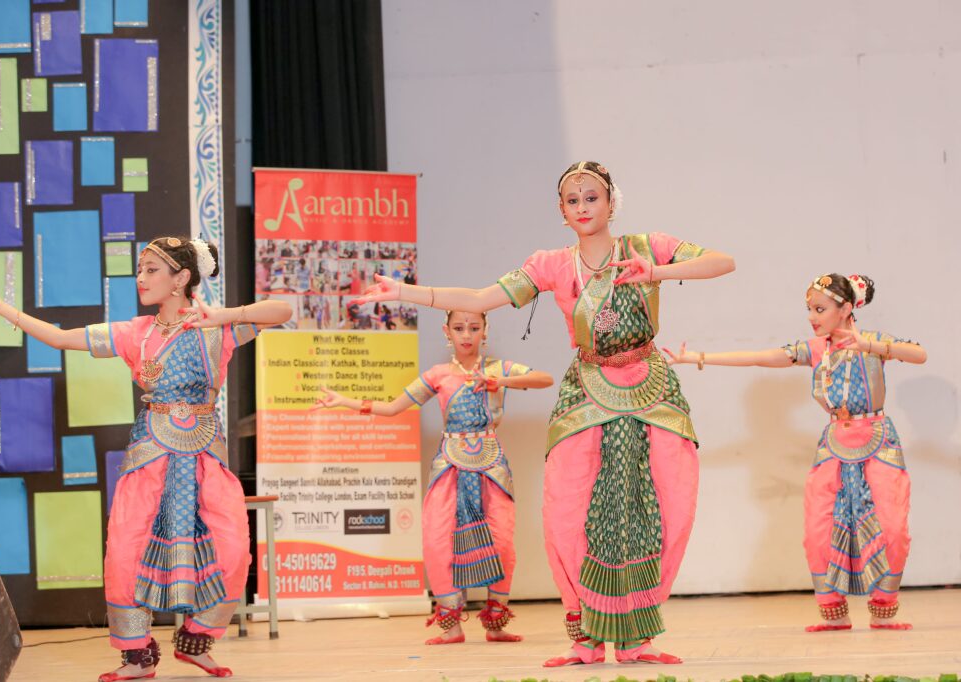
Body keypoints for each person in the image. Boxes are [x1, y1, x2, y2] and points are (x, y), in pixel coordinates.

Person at [351, 161, 735, 665]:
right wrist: (406, 293)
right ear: (561, 210)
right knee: (567, 515)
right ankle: (586, 639)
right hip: (587, 393)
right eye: (572, 200)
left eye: (592, 197)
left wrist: (657, 273)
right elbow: (479, 298)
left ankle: (638, 636)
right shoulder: (552, 264)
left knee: (668, 507)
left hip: (652, 391)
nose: (582, 207)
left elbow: (722, 262)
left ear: (611, 201)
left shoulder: (647, 246)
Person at [0, 236, 292, 681]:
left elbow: (282, 310)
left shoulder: (217, 328)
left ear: (181, 279)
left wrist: (223, 315)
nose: (141, 278)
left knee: (232, 550)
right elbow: (58, 337)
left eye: (152, 269)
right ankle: (137, 656)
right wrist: (0, 308)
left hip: (206, 451)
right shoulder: (136, 332)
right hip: (150, 449)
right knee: (125, 553)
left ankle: (196, 641)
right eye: (140, 269)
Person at [664, 273, 924, 632]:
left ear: (846, 308)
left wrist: (868, 346)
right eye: (810, 310)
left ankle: (884, 607)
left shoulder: (875, 342)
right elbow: (762, 357)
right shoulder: (817, 350)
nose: (812, 317)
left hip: (878, 441)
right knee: (818, 529)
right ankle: (833, 610)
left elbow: (919, 354)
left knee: (892, 527)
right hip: (833, 443)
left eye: (819, 309)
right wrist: (699, 357)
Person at [313, 311, 553, 645]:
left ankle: (496, 623)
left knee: (502, 543)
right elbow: (394, 407)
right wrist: (345, 402)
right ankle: (451, 626)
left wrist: (502, 383)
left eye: (473, 327)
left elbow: (544, 379)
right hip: (449, 464)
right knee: (438, 542)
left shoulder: (498, 369)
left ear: (485, 330)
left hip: (490, 464)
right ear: (447, 331)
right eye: (458, 328)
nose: (466, 334)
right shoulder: (438, 374)